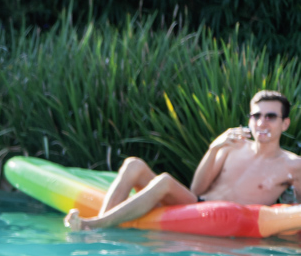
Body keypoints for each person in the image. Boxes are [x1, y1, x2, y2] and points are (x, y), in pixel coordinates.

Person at [66, 90, 301, 230]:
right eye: (256, 115)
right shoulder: (233, 145)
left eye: (270, 117)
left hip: (233, 219)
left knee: (165, 180)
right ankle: (99, 225)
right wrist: (213, 148)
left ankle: (94, 225)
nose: (261, 123)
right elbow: (197, 189)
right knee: (133, 165)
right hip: (197, 206)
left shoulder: (293, 165)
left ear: (285, 124)